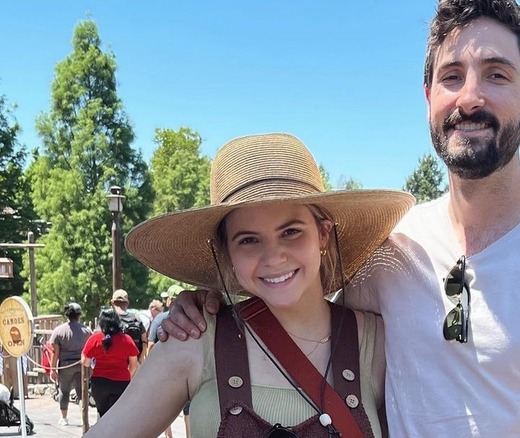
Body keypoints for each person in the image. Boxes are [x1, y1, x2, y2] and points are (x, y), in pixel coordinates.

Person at [161, 1, 520, 436]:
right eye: (451, 76)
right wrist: (202, 308)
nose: (469, 97)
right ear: (429, 98)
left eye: (496, 75)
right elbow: (305, 320)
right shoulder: (390, 250)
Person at [82, 133, 413, 438]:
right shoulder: (193, 340)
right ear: (227, 252)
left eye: (291, 231)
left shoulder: (378, 344)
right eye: (249, 240)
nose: (273, 257)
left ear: (323, 234)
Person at [81, 308, 139, 417]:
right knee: (119, 415)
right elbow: (134, 364)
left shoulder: (95, 339)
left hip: (99, 382)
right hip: (121, 382)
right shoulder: (127, 340)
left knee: (102, 413)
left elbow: (85, 362)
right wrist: (128, 376)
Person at [148, 285, 190, 438]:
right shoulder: (194, 317)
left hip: (165, 370)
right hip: (189, 368)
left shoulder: (161, 318)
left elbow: (151, 343)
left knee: (166, 406)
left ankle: (169, 436)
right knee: (188, 409)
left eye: (167, 298)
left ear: (171, 299)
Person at [48, 302, 92, 426]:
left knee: (64, 391)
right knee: (82, 392)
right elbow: (91, 351)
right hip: (82, 364)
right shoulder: (86, 331)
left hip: (65, 365)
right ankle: (84, 418)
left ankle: (64, 417)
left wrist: (53, 369)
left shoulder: (59, 331)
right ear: (79, 315)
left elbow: (55, 353)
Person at [110, 289, 147, 363]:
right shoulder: (136, 319)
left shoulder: (108, 319)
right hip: (133, 364)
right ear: (127, 303)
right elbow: (144, 341)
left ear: (112, 302)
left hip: (114, 364)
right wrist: (140, 359)